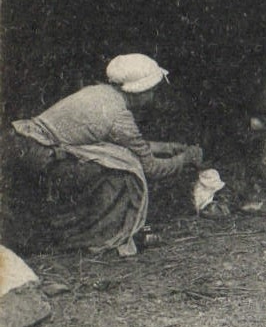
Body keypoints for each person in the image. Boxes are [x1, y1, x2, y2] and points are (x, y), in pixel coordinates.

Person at [7, 55, 202, 258]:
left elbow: (128, 142)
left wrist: (168, 148)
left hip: (21, 141)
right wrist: (185, 158)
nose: (153, 95)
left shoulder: (99, 92)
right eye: (152, 90)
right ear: (140, 91)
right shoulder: (119, 117)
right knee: (123, 174)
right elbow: (151, 168)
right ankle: (88, 236)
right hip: (40, 158)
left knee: (117, 156)